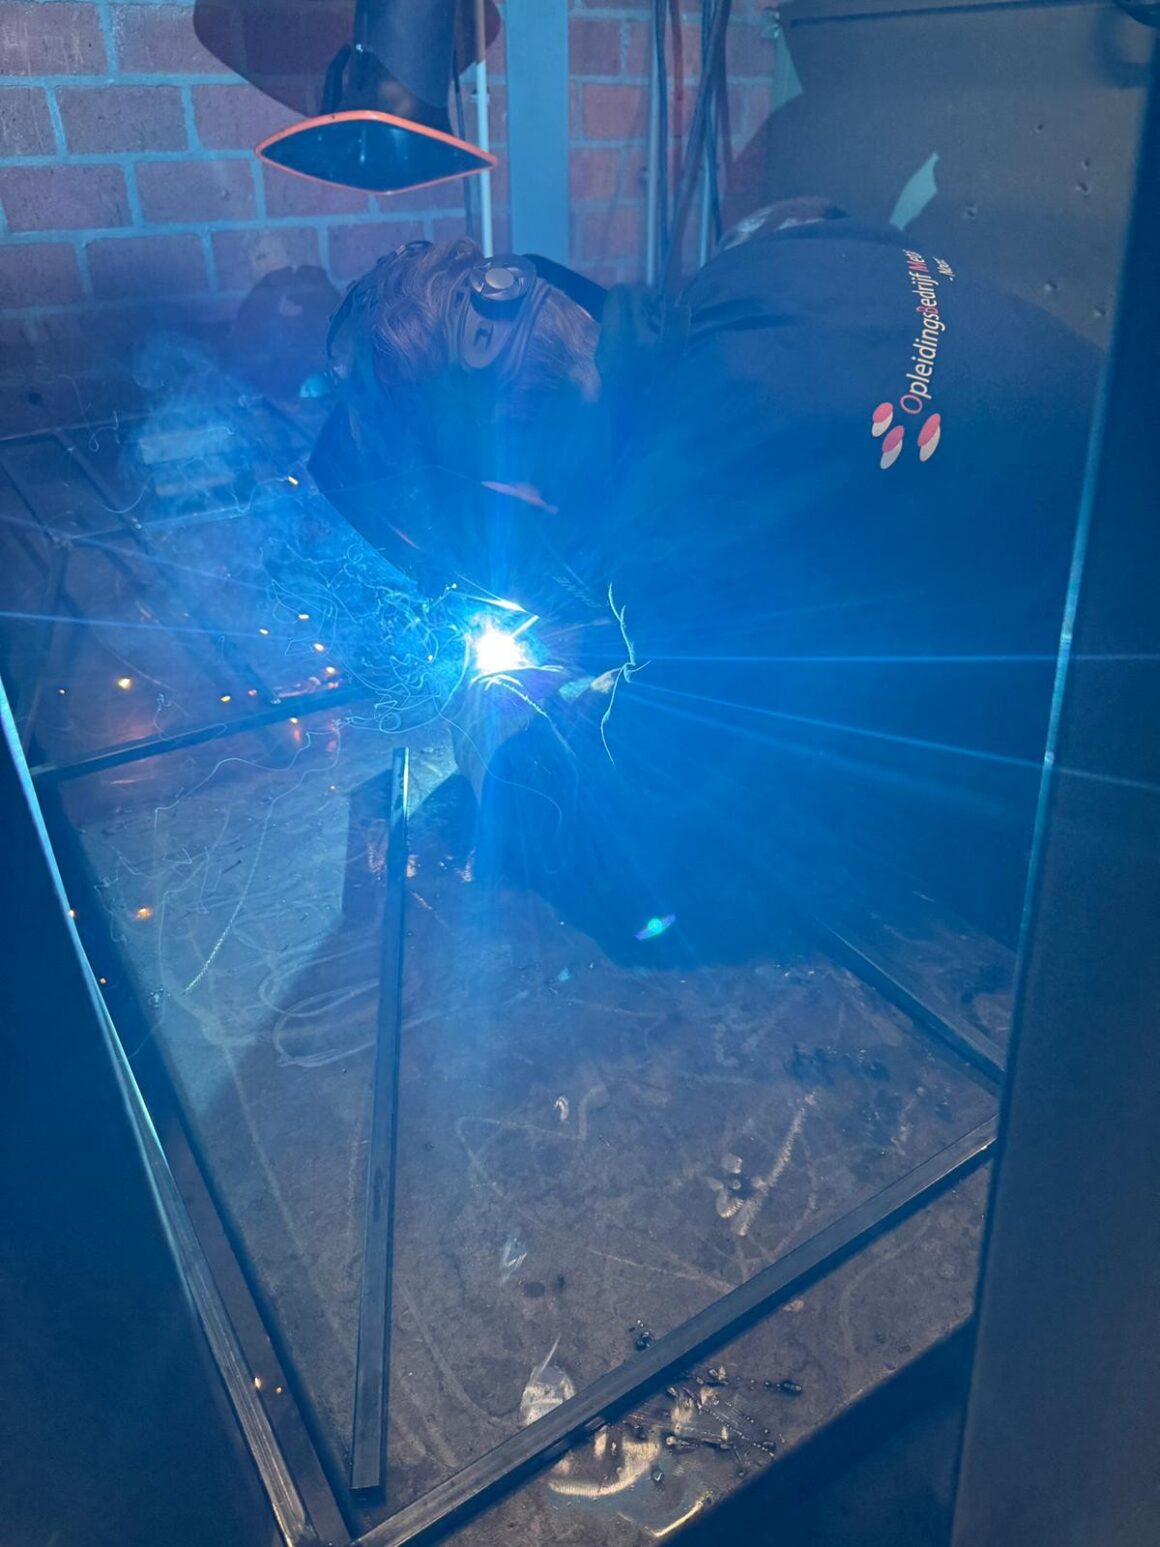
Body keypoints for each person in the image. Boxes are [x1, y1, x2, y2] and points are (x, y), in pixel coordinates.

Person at [311, 209, 1100, 956]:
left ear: (506, 485)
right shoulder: (760, 270)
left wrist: (494, 751)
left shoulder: (685, 517)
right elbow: (824, 538)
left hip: (1102, 846)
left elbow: (642, 871)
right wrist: (617, 630)